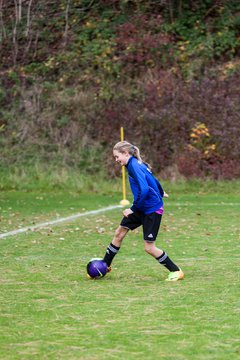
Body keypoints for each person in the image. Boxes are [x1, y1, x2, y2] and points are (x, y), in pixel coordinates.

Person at [103, 141, 184, 281]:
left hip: (151, 209)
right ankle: (104, 266)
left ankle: (176, 271)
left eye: (117, 156)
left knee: (149, 248)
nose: (116, 160)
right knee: (119, 233)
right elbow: (153, 178)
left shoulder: (134, 166)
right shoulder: (136, 163)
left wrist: (132, 209)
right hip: (143, 206)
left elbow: (145, 189)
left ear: (126, 153)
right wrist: (160, 190)